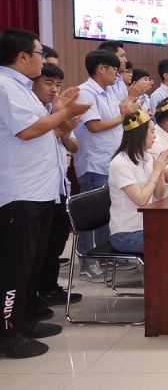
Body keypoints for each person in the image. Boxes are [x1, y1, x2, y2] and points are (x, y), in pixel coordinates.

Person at [0, 29, 90, 359]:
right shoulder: (5, 87)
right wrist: (64, 111)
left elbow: (45, 130)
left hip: (40, 190)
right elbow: (28, 131)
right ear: (23, 56)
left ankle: (25, 320)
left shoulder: (23, 89)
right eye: (39, 53)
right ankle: (9, 332)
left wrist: (60, 111)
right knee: (15, 267)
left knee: (32, 264)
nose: (43, 59)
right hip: (19, 192)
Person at [73, 50, 140, 283]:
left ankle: (105, 257)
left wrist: (129, 106)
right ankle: (86, 261)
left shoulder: (110, 91)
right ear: (101, 68)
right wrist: (123, 116)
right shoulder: (86, 92)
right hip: (94, 162)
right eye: (114, 70)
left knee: (106, 214)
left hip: (110, 161)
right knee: (88, 216)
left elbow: (118, 116)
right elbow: (94, 126)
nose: (117, 75)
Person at [31, 63, 82, 308]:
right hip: (35, 188)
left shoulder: (54, 110)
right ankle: (35, 296)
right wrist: (62, 124)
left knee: (55, 242)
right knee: (37, 248)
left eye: (58, 85)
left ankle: (49, 288)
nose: (54, 89)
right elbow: (34, 139)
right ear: (33, 83)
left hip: (58, 185)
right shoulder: (33, 112)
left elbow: (74, 146)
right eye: (48, 83)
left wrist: (66, 127)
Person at [108, 110, 168, 254]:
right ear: (140, 134)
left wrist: (161, 169)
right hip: (126, 233)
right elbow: (142, 200)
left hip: (146, 225)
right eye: (152, 132)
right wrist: (156, 171)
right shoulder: (120, 163)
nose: (155, 137)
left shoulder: (147, 158)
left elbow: (159, 195)